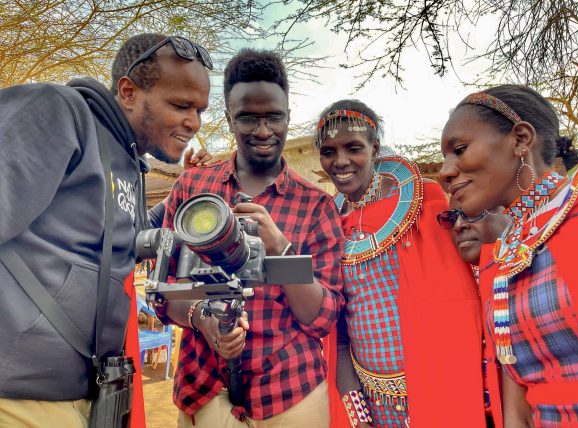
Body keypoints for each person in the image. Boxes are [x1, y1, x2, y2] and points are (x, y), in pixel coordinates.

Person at [0, 32, 211, 427]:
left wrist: (185, 194)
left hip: (80, 397)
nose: (193, 122)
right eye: (181, 105)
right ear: (129, 92)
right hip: (17, 401)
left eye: (199, 109)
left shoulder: (130, 163)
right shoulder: (59, 112)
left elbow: (123, 238)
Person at [156, 49, 344, 427]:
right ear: (228, 119)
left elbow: (321, 318)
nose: (262, 131)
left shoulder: (316, 205)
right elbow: (164, 287)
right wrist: (201, 319)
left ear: (288, 116)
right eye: (247, 118)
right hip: (205, 387)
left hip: (291, 391)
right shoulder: (192, 188)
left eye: (274, 117)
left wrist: (281, 251)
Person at [317, 99, 487, 427]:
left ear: (375, 147)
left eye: (353, 148)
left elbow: (462, 290)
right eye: (328, 152)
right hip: (371, 396)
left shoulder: (429, 203)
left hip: (441, 385)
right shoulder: (328, 225)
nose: (341, 162)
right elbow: (336, 329)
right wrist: (358, 413)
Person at [439, 84, 578, 427]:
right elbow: (518, 399)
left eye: (460, 150)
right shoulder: (504, 251)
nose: (445, 171)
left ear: (520, 139)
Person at [438, 201, 511, 428]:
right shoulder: (443, 289)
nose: (459, 225)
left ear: (510, 211)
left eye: (473, 214)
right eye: (451, 218)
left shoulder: (530, 275)